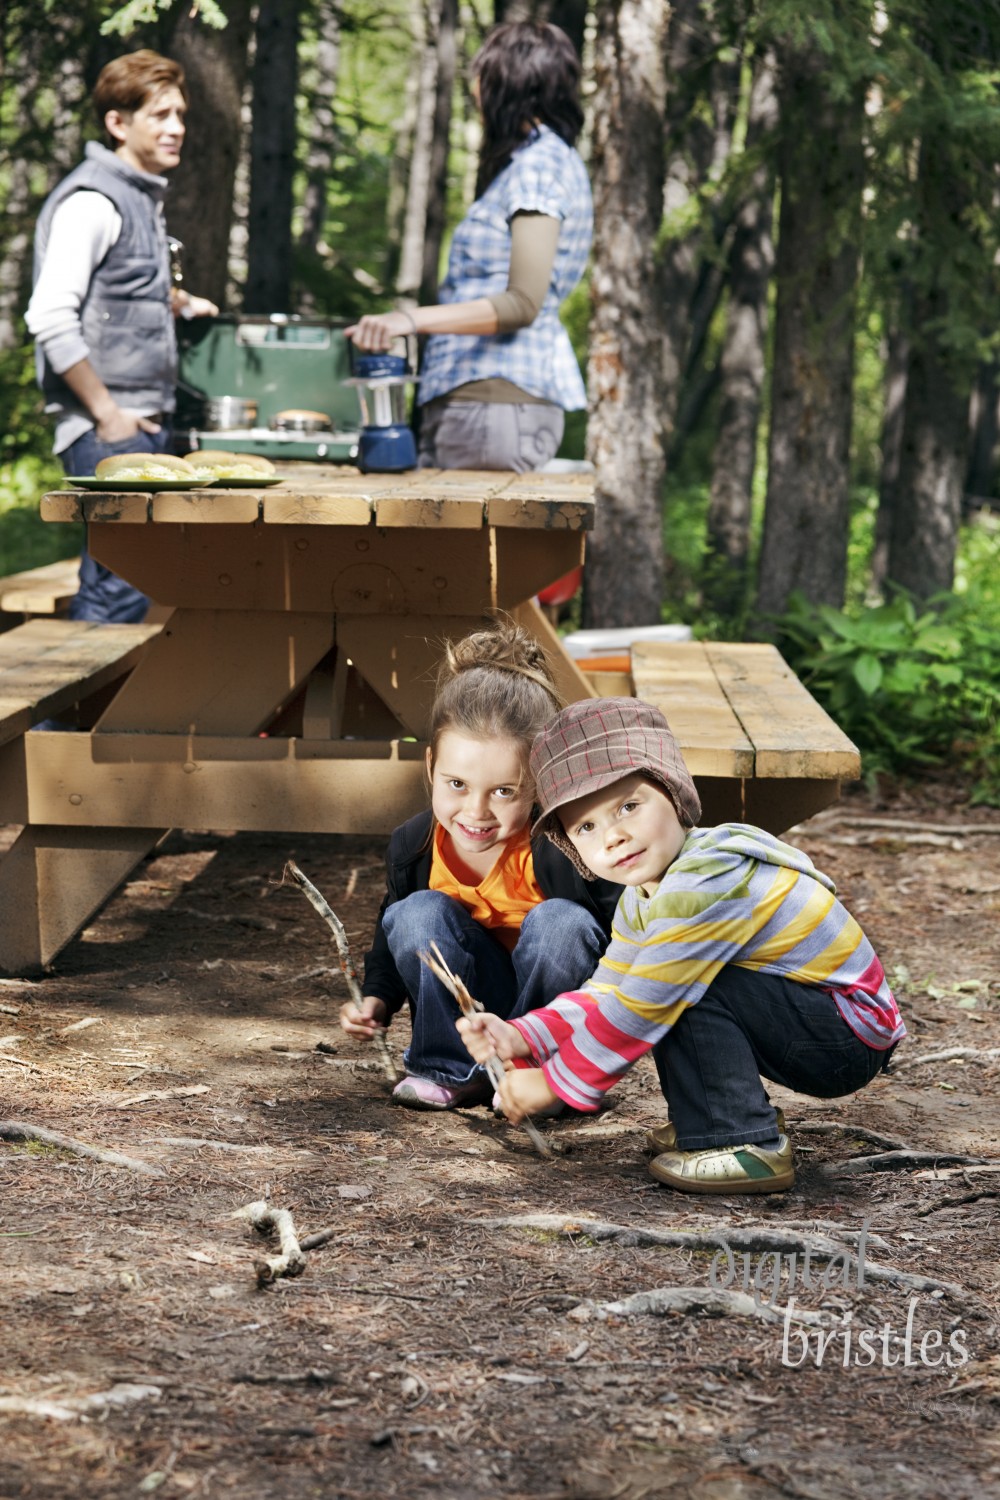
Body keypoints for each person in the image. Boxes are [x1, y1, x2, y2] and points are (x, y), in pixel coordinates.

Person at [458, 698, 906, 1194]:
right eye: (586, 826)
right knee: (666, 978)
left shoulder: (705, 879)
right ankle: (712, 1114)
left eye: (628, 806)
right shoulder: (644, 895)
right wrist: (523, 1037)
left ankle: (740, 1139)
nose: (614, 837)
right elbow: (610, 988)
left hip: (846, 1036)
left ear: (674, 794)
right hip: (812, 1019)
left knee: (674, 987)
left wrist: (553, 1083)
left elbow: (644, 1002)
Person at [341, 622, 621, 1109]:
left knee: (564, 923)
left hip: (548, 1007)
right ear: (430, 767)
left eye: (505, 791)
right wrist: (377, 1000)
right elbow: (390, 940)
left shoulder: (567, 849)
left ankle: (540, 1078)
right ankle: (451, 1071)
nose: (475, 811)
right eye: (456, 784)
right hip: (471, 1006)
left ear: (539, 783)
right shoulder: (416, 844)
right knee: (414, 913)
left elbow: (623, 943)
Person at [346, 21, 591, 473]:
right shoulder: (534, 163)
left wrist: (407, 321)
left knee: (467, 547)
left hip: (495, 408)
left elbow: (522, 303)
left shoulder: (538, 167)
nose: (474, 91)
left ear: (508, 82)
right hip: (480, 408)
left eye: (481, 77)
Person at [26, 49, 218, 623]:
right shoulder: (93, 201)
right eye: (159, 115)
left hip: (138, 426)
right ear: (118, 123)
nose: (176, 127)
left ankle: (94, 714)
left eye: (180, 114)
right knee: (117, 592)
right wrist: (107, 413)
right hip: (109, 430)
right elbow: (49, 316)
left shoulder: (138, 194)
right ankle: (62, 717)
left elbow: (114, 296)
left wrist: (175, 303)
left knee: (133, 590)